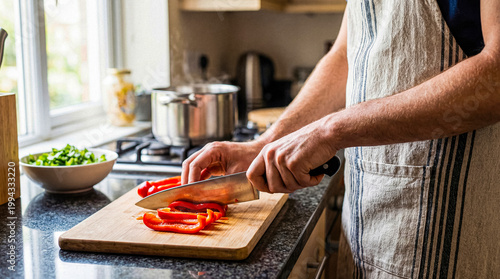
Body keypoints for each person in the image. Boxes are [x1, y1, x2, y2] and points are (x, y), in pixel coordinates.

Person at [182, 0, 500, 277]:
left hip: (451, 224)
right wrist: (262, 145)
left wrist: (329, 130)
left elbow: (496, 75)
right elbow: (347, 55)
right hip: (367, 224)